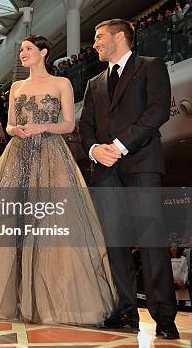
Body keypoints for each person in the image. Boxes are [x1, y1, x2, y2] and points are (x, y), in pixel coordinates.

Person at [0, 35, 116, 325]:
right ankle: (8, 301)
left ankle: (55, 304)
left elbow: (69, 124)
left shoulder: (62, 84)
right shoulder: (17, 88)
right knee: (10, 225)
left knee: (52, 227)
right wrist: (16, 130)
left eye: (28, 49)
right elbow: (8, 125)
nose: (23, 54)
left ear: (43, 52)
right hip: (17, 156)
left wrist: (41, 126)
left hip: (51, 156)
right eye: (21, 50)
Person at [79, 19, 178, 339]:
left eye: (99, 37)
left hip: (141, 166)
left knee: (151, 242)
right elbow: (86, 129)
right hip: (105, 172)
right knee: (116, 243)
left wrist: (118, 147)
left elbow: (157, 111)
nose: (95, 44)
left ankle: (164, 316)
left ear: (120, 36)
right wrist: (96, 150)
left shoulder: (151, 67)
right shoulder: (94, 83)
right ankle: (125, 310)